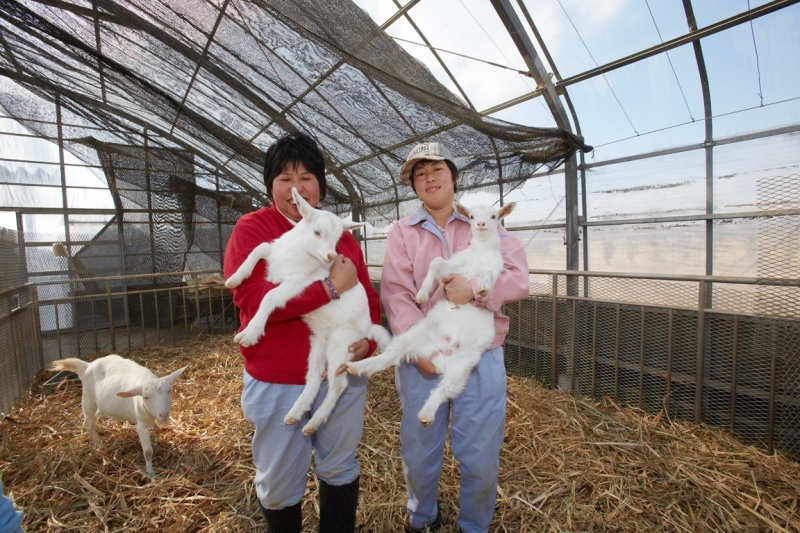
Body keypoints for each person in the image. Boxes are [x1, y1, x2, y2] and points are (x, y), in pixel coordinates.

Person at [224, 132, 380, 532]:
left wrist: (368, 343)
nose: (296, 189)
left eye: (306, 177)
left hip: (340, 370)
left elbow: (367, 295)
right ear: (270, 186)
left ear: (321, 185)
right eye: (284, 179)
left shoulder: (341, 234)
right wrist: (327, 288)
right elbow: (251, 297)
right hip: (278, 380)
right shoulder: (253, 228)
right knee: (278, 481)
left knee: (340, 466)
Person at [381, 142, 530, 533]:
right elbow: (396, 292)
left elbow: (517, 278)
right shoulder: (403, 232)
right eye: (419, 174)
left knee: (479, 451)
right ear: (413, 186)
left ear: (453, 177)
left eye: (436, 171)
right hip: (425, 355)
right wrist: (419, 347)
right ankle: (422, 517)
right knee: (419, 448)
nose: (429, 179)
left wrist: (480, 293)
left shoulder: (485, 222)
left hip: (480, 353)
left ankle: (474, 525)